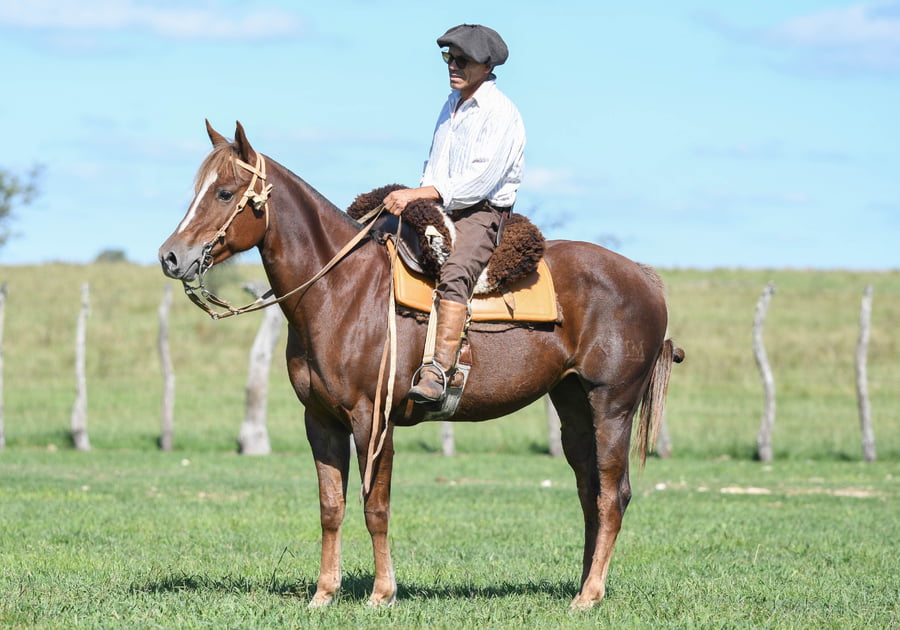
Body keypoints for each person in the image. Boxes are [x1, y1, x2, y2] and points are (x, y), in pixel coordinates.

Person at [383, 24, 526, 403]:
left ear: (486, 66)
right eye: (449, 58)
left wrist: (417, 194)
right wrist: (417, 200)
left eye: (463, 60)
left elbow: (478, 182)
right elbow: (434, 165)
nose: (453, 65)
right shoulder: (451, 105)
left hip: (481, 213)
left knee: (456, 271)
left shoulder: (502, 114)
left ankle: (438, 371)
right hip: (438, 203)